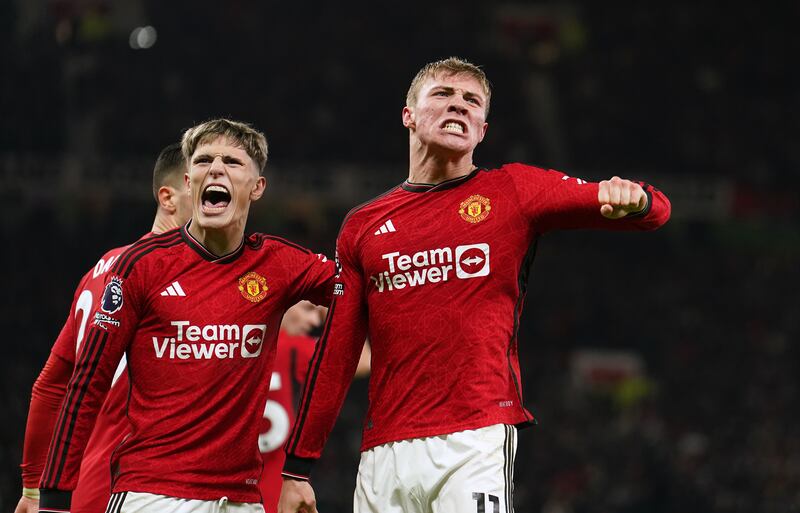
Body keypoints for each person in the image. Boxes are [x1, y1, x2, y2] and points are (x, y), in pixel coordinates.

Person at [278, 57, 672, 513]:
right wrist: (297, 468)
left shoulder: (514, 191)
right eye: (444, 94)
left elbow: (654, 212)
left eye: (472, 101)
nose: (459, 106)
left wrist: (639, 199)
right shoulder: (362, 225)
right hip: (384, 449)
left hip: (474, 437)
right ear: (408, 114)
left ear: (483, 129)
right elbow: (338, 351)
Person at [38, 119, 336, 513]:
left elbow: (364, 287)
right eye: (204, 161)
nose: (216, 168)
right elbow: (85, 385)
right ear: (189, 181)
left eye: (232, 161)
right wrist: (53, 499)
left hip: (242, 501)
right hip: (151, 496)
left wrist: (298, 471)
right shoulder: (139, 267)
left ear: (257, 187)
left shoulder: (278, 264)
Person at [15, 143, 192, 513]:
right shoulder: (163, 274)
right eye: (202, 186)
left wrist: (33, 489)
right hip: (135, 491)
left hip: (86, 486)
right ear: (168, 197)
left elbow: (49, 386)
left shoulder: (105, 267)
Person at [258, 301, 370, 510]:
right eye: (308, 310)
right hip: (278, 493)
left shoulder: (236, 348)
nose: (314, 321)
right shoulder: (292, 348)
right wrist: (337, 307)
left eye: (319, 314)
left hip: (228, 492)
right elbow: (363, 359)